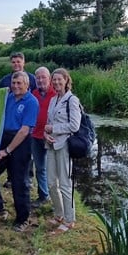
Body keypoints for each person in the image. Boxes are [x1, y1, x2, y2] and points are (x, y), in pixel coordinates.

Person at [0, 71, 39, 232]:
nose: (16, 86)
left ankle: (22, 219)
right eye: (14, 83)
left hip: (21, 142)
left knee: (19, 182)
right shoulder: (8, 97)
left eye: (19, 83)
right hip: (4, 138)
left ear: (27, 84)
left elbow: (24, 130)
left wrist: (7, 150)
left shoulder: (31, 102)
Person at [44, 68, 81, 234]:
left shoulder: (72, 100)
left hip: (65, 145)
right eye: (54, 80)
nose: (57, 83)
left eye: (60, 79)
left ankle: (69, 220)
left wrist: (54, 129)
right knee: (51, 182)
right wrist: (46, 133)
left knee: (65, 184)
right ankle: (58, 214)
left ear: (66, 80)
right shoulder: (53, 100)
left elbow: (75, 126)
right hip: (51, 145)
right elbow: (47, 123)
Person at [0, 52, 36, 188]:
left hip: (25, 123)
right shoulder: (5, 80)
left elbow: (35, 97)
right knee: (8, 155)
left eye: (18, 61)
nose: (16, 64)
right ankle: (10, 178)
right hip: (9, 124)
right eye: (13, 62)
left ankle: (28, 178)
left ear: (24, 62)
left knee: (25, 156)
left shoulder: (32, 78)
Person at [30, 66, 56, 208]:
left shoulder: (56, 94)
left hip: (52, 137)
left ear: (49, 78)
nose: (40, 80)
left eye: (43, 77)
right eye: (38, 78)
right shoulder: (33, 93)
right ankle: (43, 195)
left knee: (53, 169)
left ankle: (56, 199)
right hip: (36, 136)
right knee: (39, 167)